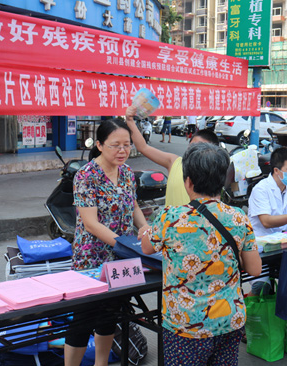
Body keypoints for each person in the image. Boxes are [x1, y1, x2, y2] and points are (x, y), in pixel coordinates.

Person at [141, 143, 262, 366]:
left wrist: (146, 231)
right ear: (223, 180)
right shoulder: (238, 217)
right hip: (229, 321)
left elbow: (147, 248)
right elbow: (254, 269)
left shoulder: (170, 217)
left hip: (186, 324)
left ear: (188, 182)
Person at [65, 119, 150, 366]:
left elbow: (132, 205)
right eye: (115, 145)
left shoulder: (126, 172)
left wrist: (143, 227)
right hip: (91, 257)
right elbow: (90, 223)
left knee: (110, 315)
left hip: (122, 256)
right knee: (84, 318)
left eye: (126, 145)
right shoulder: (86, 175)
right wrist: (125, 244)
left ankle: (101, 364)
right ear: (100, 145)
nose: (122, 151)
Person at [125, 106, 219, 206]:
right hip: (171, 221)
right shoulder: (174, 162)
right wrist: (130, 120)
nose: (194, 152)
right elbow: (143, 147)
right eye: (192, 147)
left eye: (201, 149)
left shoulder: (215, 173)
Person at [248, 147, 287, 237]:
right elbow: (266, 221)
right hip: (263, 242)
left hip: (285, 240)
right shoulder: (260, 189)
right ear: (276, 171)